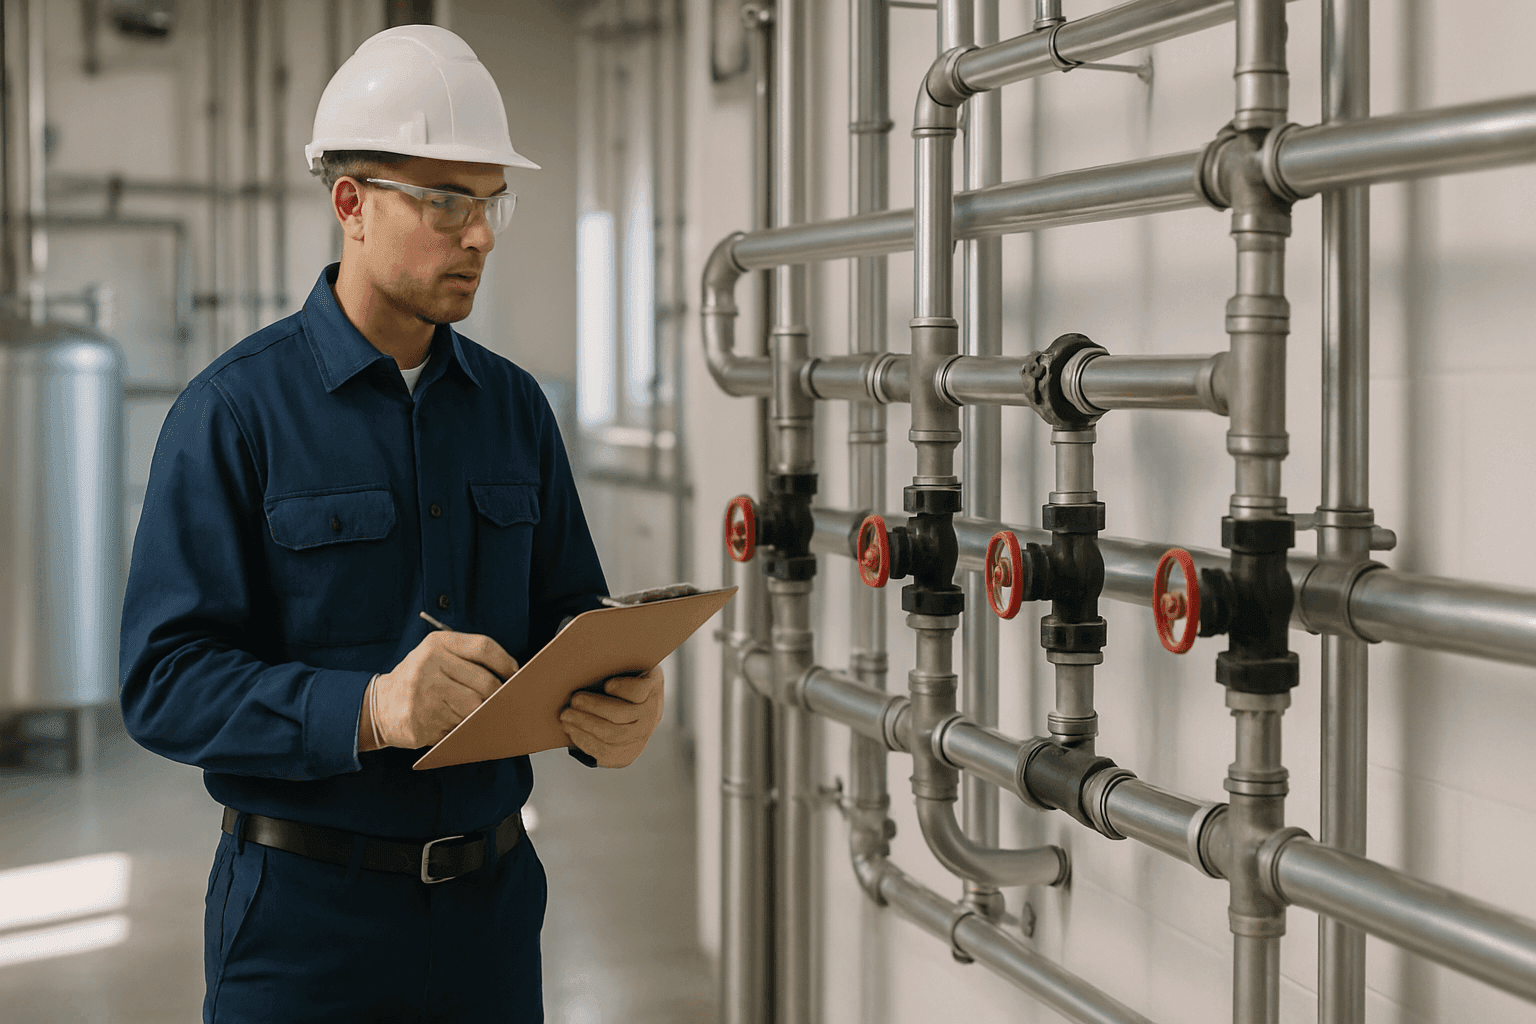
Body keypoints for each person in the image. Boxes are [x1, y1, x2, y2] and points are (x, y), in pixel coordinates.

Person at [118, 24, 664, 1023]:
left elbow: (567, 611)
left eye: (491, 200)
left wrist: (614, 706)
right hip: (303, 931)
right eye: (448, 200)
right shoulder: (233, 412)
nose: (483, 234)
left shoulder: (515, 409)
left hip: (493, 922)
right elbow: (163, 683)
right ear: (351, 204)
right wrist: (369, 709)